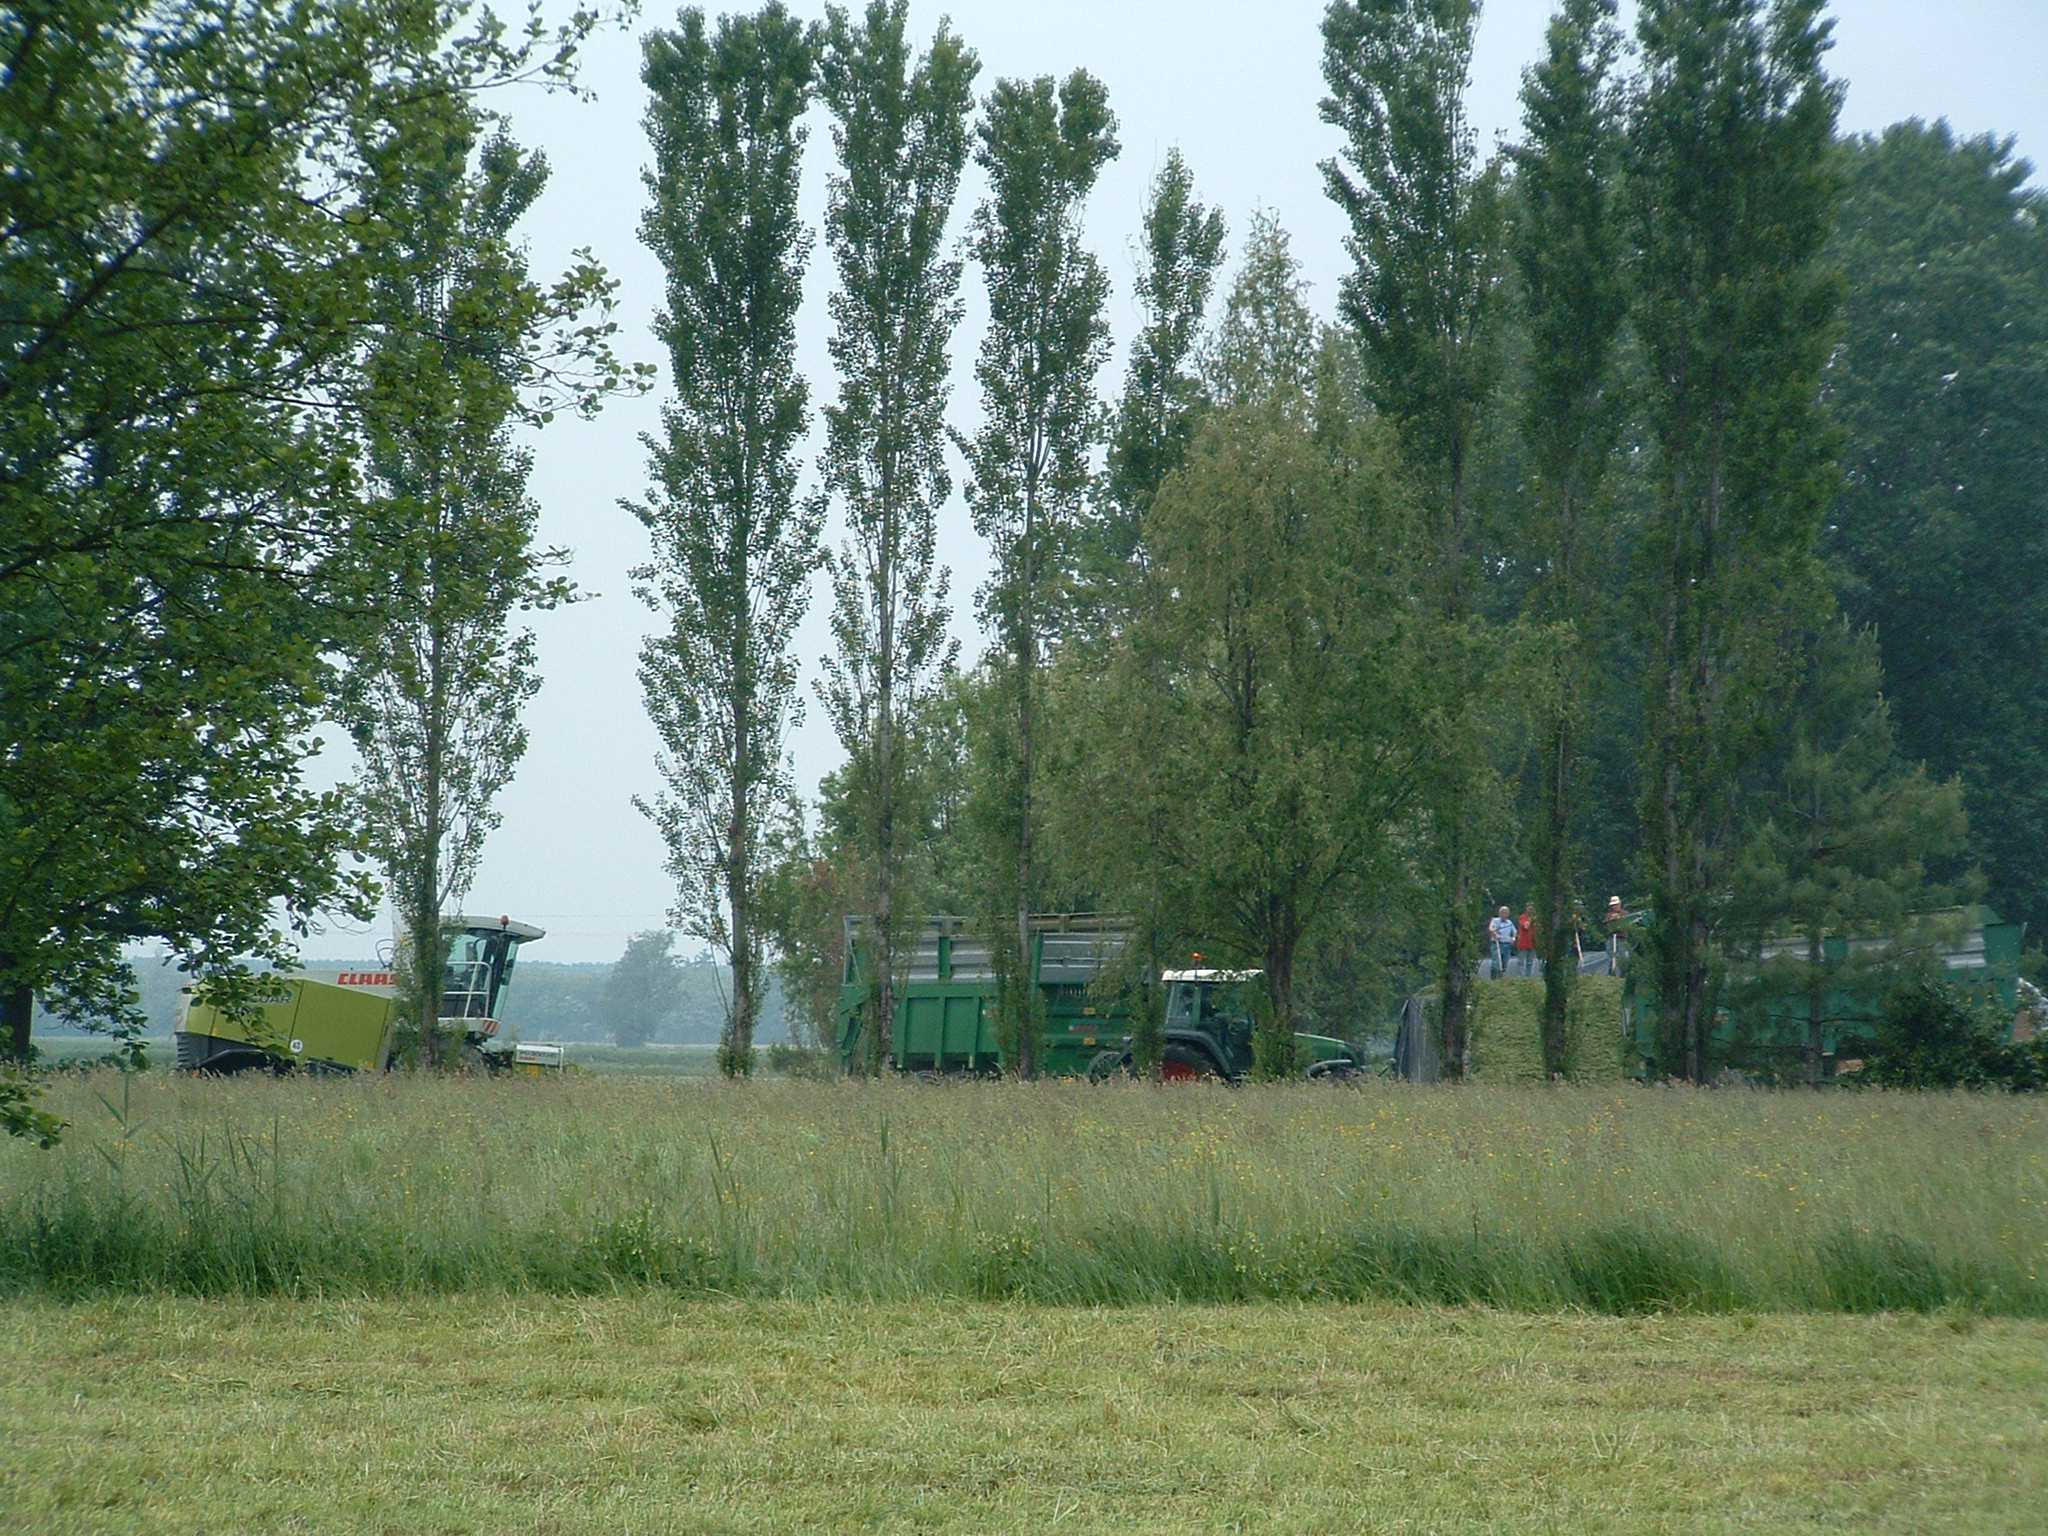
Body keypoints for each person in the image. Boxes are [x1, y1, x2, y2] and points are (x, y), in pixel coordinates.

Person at [1487, 906, 1515, 979]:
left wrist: (1513, 938)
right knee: (1496, 962)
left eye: (1506, 913)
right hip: (1497, 944)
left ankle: (1500, 978)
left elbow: (1514, 932)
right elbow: (1491, 929)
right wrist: (1495, 934)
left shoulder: (1509, 922)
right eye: (1503, 913)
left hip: (1507, 944)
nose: (1504, 914)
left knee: (1505, 962)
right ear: (1499, 913)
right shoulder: (1495, 920)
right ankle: (1493, 978)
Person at [1605, 897, 1629, 976]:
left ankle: (1623, 974)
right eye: (1613, 905)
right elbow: (1606, 924)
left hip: (1622, 938)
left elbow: (1627, 923)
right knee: (1611, 957)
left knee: (1623, 956)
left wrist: (1619, 918)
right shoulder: (1609, 915)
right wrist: (1612, 919)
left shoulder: (1625, 913)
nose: (1614, 907)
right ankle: (1611, 973)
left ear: (1619, 904)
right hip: (1611, 938)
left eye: (1616, 905)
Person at [1515, 905, 1538, 976]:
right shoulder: (1523, 917)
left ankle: (1529, 976)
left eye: (1532, 909)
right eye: (1529, 909)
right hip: (1523, 943)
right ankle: (1521, 977)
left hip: (1532, 943)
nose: (1531, 910)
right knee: (1521, 962)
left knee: (1530, 962)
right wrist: (1531, 920)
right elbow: (1526, 926)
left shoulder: (1536, 918)